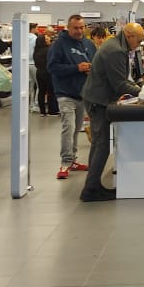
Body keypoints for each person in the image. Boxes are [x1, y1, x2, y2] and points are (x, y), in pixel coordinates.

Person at [80, 22, 144, 202]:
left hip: (96, 98)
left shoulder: (115, 45)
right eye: (139, 41)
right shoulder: (116, 50)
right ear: (129, 36)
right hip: (98, 101)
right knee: (102, 145)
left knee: (98, 144)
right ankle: (91, 190)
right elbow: (120, 84)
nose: (139, 44)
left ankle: (92, 184)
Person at [48, 14, 96, 180]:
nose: (79, 31)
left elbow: (95, 63)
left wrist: (91, 69)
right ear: (68, 28)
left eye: (82, 27)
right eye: (75, 28)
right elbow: (52, 67)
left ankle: (73, 160)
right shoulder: (58, 45)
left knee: (76, 129)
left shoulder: (89, 44)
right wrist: (76, 68)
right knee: (68, 127)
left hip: (82, 94)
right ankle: (65, 162)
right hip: (65, 93)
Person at [33, 25, 59, 115]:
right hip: (48, 73)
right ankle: (52, 110)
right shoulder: (49, 50)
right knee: (51, 91)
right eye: (47, 39)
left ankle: (42, 111)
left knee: (41, 91)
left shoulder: (36, 51)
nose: (49, 40)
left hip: (39, 72)